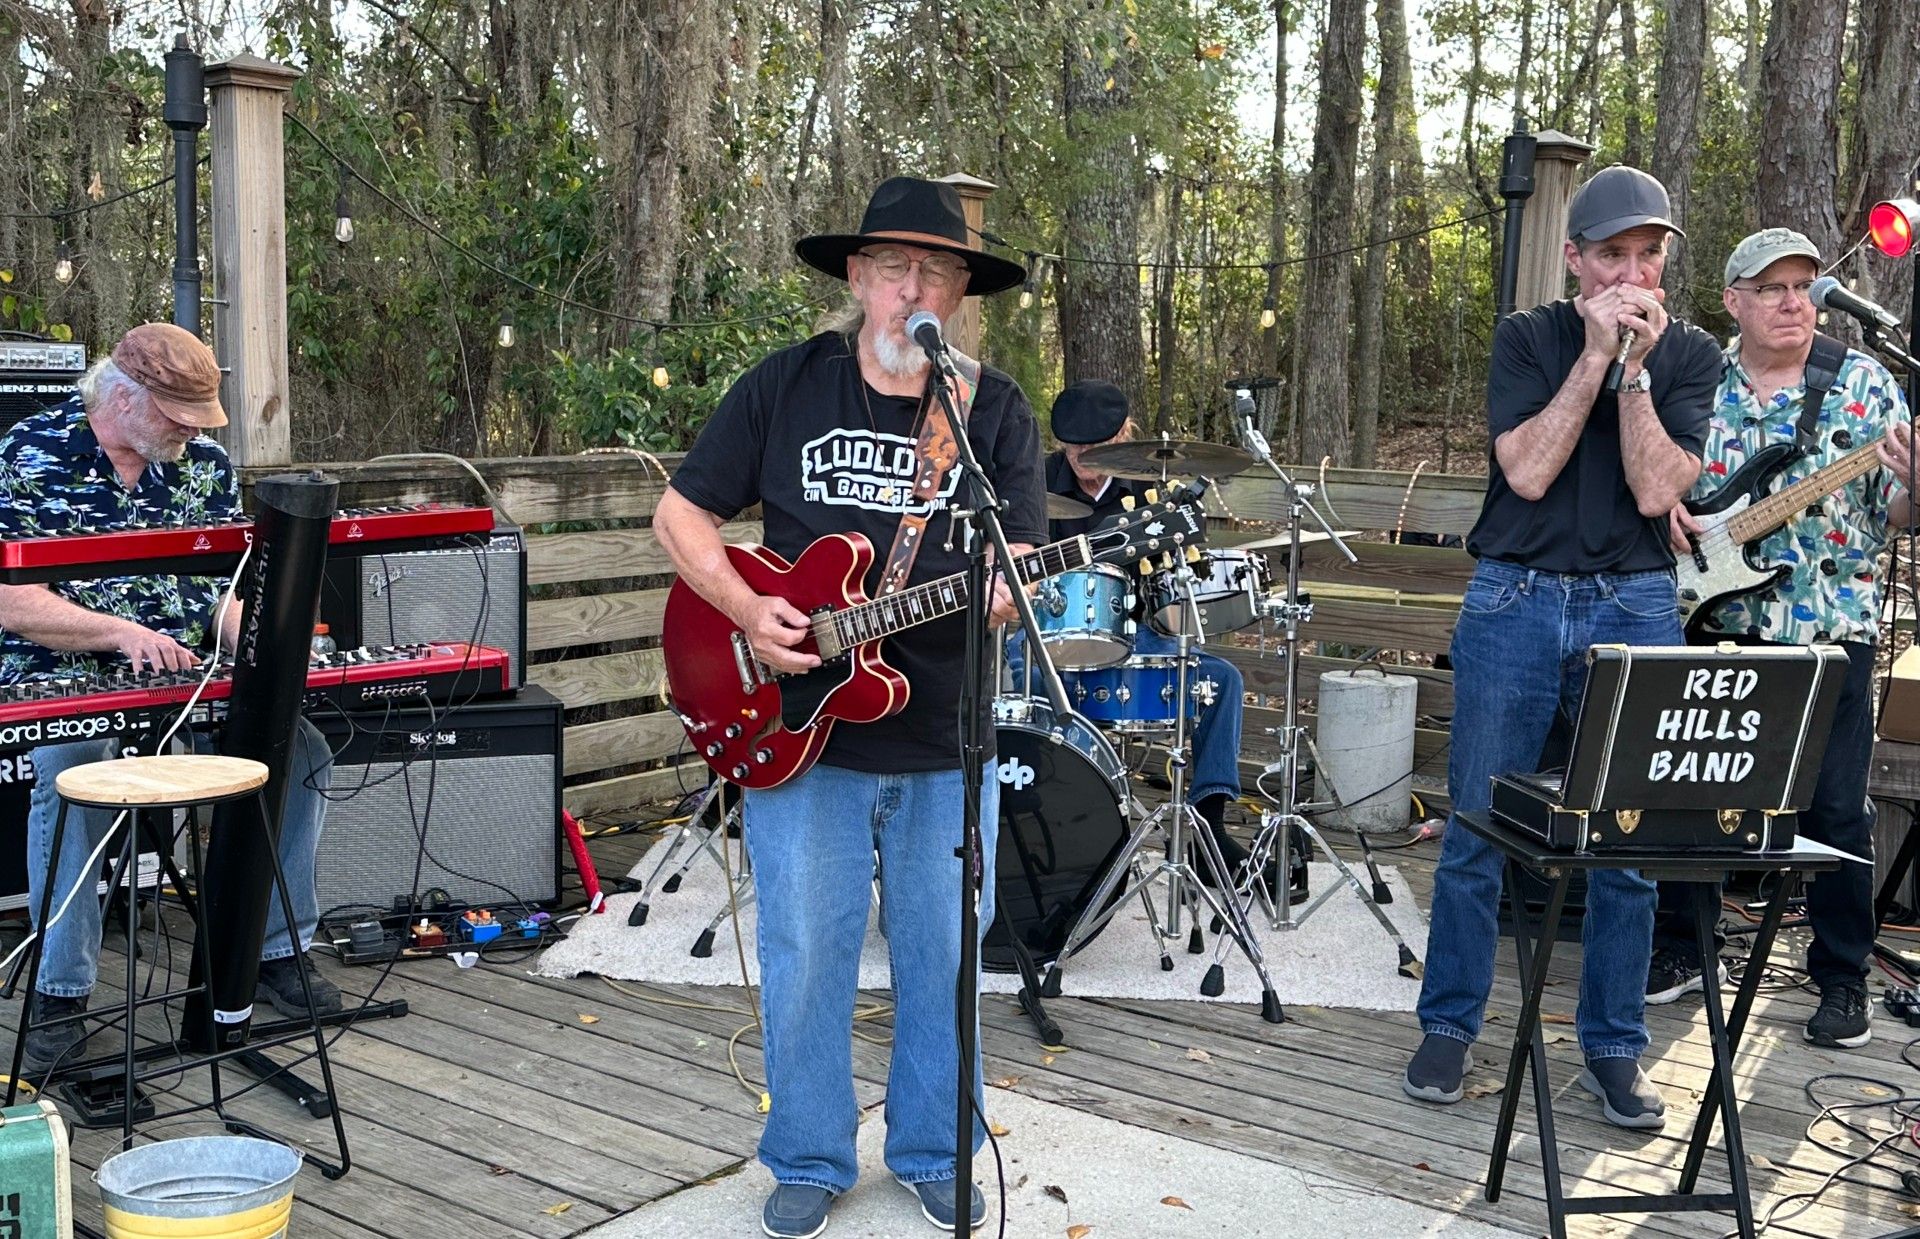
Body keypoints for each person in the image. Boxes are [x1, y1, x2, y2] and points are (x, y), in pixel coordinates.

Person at [653, 177, 1045, 1239]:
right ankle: (811, 1154)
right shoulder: (785, 386)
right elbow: (680, 513)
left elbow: (1015, 571)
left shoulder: (991, 411)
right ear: (858, 278)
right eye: (892, 268)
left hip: (942, 736)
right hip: (797, 732)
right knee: (806, 950)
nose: (910, 288)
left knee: (941, 956)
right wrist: (745, 607)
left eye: (935, 272)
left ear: (961, 292)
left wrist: (1011, 595)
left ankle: (929, 1150)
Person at [1402, 167, 1721, 1130]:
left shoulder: (1693, 354)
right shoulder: (1528, 337)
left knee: (1628, 838)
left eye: (1649, 257)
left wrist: (1631, 372)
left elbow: (1658, 485)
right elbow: (1529, 471)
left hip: (1634, 604)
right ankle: (1451, 1025)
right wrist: (1590, 357)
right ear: (1575, 258)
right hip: (1517, 598)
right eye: (1613, 255)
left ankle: (1612, 1049)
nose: (1633, 275)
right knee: (1477, 825)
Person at [0, 323, 341, 1078]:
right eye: (176, 415)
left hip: (189, 671)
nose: (192, 431)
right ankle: (60, 995)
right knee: (74, 769)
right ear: (119, 399)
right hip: (67, 671)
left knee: (302, 750)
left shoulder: (203, 466)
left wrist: (268, 648)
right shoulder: (28, 452)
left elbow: (222, 591)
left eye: (199, 418)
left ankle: (275, 954)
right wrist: (118, 634)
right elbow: (12, 601)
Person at [1650, 228, 1914, 1048]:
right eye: (1772, 288)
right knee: (1689, 796)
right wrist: (1663, 513)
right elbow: (1652, 477)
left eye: (1804, 285)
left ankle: (1842, 976)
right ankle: (1681, 948)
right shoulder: (1698, 379)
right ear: (1734, 301)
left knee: (1835, 808)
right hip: (1713, 616)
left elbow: (1901, 516)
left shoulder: (1864, 383)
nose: (1794, 300)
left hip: (1830, 626)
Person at [1015, 379, 1304, 902]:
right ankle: (1039, 824)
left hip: (1133, 637)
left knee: (1221, 680)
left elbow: (1176, 603)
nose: (1081, 453)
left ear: (1124, 435)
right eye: (1071, 442)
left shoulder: (1150, 496)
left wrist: (1176, 587)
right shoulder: (1032, 486)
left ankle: (1208, 827)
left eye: (1095, 442)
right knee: (1019, 675)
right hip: (1041, 639)